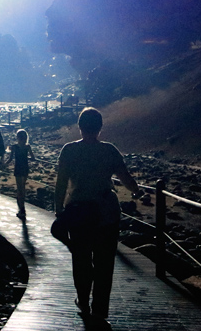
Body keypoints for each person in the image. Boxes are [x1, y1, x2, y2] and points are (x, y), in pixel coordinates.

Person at [53, 107, 140, 323]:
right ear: (100, 127)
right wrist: (137, 190)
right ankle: (100, 309)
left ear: (80, 126)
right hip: (106, 214)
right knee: (104, 263)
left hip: (78, 212)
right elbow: (126, 179)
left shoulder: (69, 150)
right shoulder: (109, 150)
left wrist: (59, 209)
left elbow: (61, 183)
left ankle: (83, 300)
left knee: (81, 258)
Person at [4, 128, 33, 219]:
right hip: (25, 167)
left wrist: (3, 164)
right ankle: (22, 208)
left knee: (19, 189)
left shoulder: (15, 147)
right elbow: (33, 157)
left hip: (18, 168)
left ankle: (21, 209)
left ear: (17, 137)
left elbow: (10, 159)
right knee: (23, 188)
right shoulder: (27, 147)